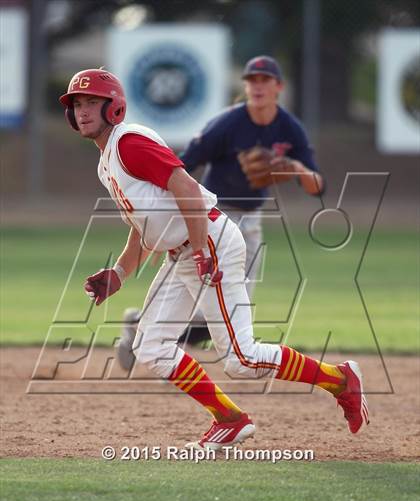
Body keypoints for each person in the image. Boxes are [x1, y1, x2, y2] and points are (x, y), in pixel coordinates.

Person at [59, 68, 369, 450]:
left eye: (92, 102)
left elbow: (187, 188)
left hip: (209, 242)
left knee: (242, 358)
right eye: (77, 104)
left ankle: (340, 379)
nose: (84, 110)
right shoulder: (107, 160)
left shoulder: (128, 144)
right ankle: (230, 419)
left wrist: (203, 248)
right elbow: (145, 226)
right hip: (185, 251)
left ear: (114, 107)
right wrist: (120, 273)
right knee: (151, 346)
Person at [117, 55, 324, 367]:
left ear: (278, 87)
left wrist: (294, 168)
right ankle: (150, 336)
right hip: (214, 221)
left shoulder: (289, 129)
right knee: (221, 311)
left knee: (227, 313)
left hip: (250, 224)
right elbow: (184, 164)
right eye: (251, 79)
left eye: (264, 79)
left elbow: (317, 187)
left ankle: (140, 327)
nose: (257, 85)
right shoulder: (228, 124)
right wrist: (164, 224)